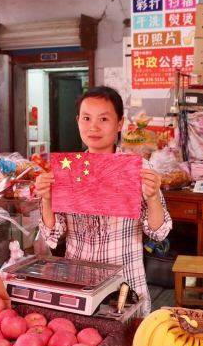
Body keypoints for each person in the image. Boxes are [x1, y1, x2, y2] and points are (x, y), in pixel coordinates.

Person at [35, 86, 172, 314]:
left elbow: (159, 233)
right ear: (78, 121)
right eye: (86, 118)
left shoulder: (137, 169)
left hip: (126, 285)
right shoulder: (68, 170)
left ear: (119, 124)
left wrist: (153, 196)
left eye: (104, 119)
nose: (94, 127)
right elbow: (53, 235)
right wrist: (47, 199)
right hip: (79, 285)